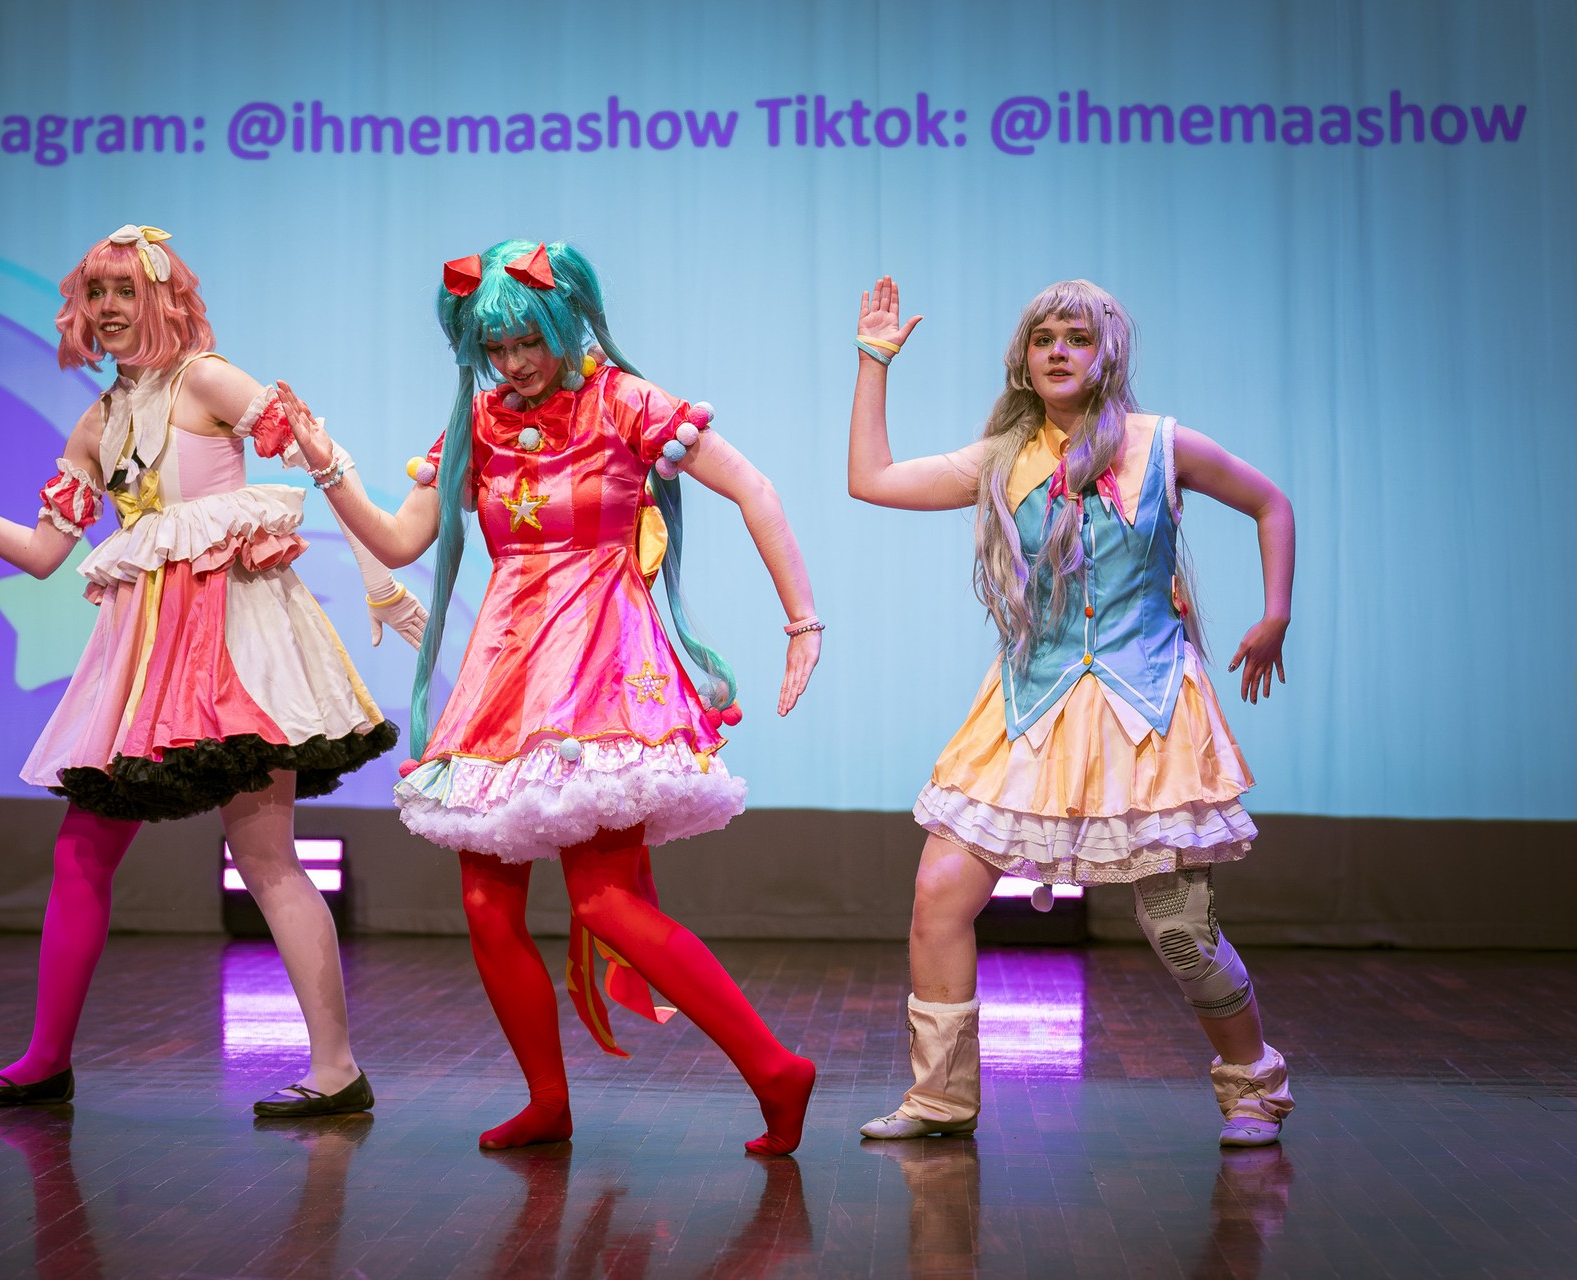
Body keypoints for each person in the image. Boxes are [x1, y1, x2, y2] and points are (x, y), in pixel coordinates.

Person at [271, 240, 823, 1154]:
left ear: (567, 322)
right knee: (487, 905)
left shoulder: (625, 400)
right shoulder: (479, 421)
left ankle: (775, 1069)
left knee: (604, 901)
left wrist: (802, 622)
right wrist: (327, 464)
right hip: (506, 676)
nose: (515, 362)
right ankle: (547, 1100)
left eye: (529, 340)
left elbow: (753, 488)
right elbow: (401, 540)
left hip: (602, 668)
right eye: (497, 348)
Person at [0, 224, 421, 1116]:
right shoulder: (97, 424)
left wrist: (382, 565)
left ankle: (337, 1068)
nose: (108, 308)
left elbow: (320, 459)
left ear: (163, 299)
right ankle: (44, 1061)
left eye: (125, 291)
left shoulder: (207, 380)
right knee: (81, 848)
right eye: (95, 293)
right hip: (143, 663)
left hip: (233, 646)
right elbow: (44, 554)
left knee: (265, 855)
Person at [846, 276, 1297, 1147]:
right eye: (1044, 337)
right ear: (1023, 359)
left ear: (1107, 354)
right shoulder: (1001, 459)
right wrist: (875, 361)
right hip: (1031, 706)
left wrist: (1274, 614)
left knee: (1179, 931)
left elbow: (1269, 502)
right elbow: (872, 480)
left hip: (1145, 712)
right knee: (939, 893)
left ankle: (1255, 1085)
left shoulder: (1163, 445)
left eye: (1078, 338)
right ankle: (940, 1098)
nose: (1059, 351)